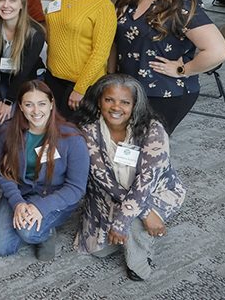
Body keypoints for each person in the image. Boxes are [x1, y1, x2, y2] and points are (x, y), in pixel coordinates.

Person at [73, 74, 185, 281]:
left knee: (133, 220)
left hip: (154, 190)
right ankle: (137, 225)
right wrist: (141, 214)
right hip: (107, 193)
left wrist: (125, 221)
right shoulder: (88, 130)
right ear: (99, 101)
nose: (116, 107)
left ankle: (140, 258)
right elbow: (102, 179)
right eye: (109, 100)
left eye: (125, 102)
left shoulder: (153, 130)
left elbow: (145, 182)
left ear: (135, 104)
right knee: (98, 251)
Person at [113, 0, 225, 134]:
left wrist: (184, 70)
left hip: (164, 92)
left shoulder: (182, 6)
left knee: (148, 149)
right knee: (124, 144)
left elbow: (219, 52)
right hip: (128, 87)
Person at [0, 80, 90, 260]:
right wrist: (18, 203)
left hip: (54, 195)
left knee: (28, 233)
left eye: (42, 104)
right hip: (21, 192)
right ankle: (37, 223)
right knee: (1, 247)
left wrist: (41, 208)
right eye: (29, 105)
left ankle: (46, 232)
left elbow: (76, 188)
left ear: (51, 104)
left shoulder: (72, 137)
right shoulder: (7, 131)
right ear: (20, 106)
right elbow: (3, 172)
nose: (36, 111)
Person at [45, 0, 116, 119]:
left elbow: (100, 53)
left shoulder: (103, 6)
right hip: (53, 75)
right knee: (50, 126)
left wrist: (80, 88)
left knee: (69, 132)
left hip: (80, 82)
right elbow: (54, 30)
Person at [0, 0, 46, 130]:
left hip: (26, 80)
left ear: (22, 4)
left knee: (14, 124)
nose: (6, 5)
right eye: (2, 0)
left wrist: (9, 102)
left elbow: (24, 72)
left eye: (12, 0)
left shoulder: (35, 33)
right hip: (1, 79)